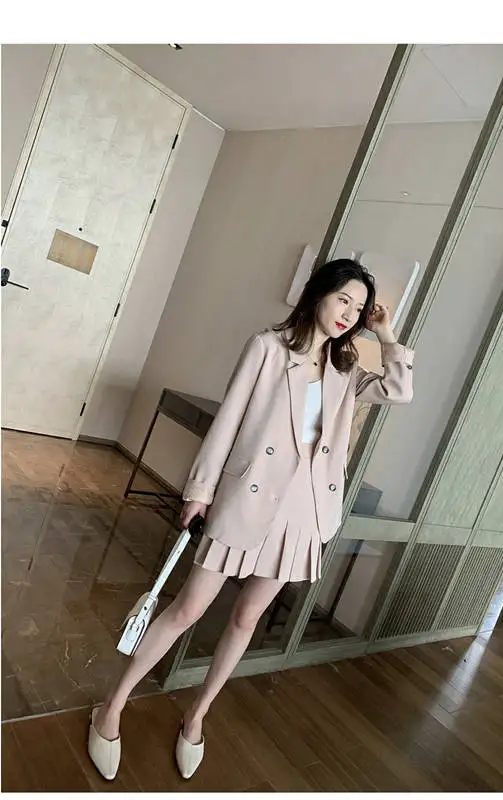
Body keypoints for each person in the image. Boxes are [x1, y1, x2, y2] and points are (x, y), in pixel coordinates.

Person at [88, 258, 414, 781]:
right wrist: (200, 491)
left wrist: (386, 332)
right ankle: (112, 707)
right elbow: (229, 419)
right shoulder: (267, 348)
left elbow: (400, 390)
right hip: (248, 500)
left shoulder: (346, 371)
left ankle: (197, 717)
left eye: (358, 309)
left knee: (246, 619)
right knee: (187, 609)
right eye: (342, 300)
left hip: (303, 513)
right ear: (317, 294)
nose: (348, 314)